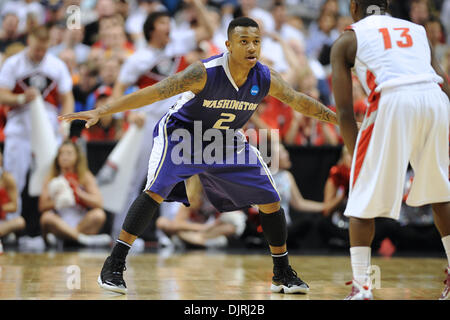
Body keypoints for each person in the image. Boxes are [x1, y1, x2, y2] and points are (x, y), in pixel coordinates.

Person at [60, 17, 338, 295]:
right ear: (228, 45)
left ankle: (281, 272)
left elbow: (299, 100)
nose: (252, 48)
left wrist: (340, 120)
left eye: (256, 42)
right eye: (244, 42)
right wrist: (102, 111)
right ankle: (114, 263)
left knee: (270, 198)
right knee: (155, 190)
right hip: (182, 133)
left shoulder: (265, 77)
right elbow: (155, 93)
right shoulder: (203, 72)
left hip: (224, 138)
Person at [330, 0, 450, 300]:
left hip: (393, 98)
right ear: (386, 5)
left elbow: (345, 111)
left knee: (361, 197)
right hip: (434, 99)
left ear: (354, 6)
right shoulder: (417, 29)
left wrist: (358, 158)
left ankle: (362, 288)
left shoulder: (349, 38)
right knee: (441, 193)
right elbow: (441, 80)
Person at [111, 7, 214, 239]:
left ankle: (169, 234)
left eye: (170, 21)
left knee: (175, 179)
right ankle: (121, 234)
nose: (169, 26)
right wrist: (126, 115)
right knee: (135, 179)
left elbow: (208, 30)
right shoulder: (138, 59)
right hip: (147, 124)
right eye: (163, 22)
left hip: (177, 122)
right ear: (151, 29)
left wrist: (196, 4)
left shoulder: (179, 44)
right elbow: (119, 88)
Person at [0, 25, 74, 222]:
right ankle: (11, 224)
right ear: (29, 42)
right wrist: (21, 99)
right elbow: (2, 94)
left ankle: (48, 226)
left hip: (48, 129)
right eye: (37, 49)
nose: (40, 53)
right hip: (20, 127)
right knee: (15, 178)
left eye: (44, 49)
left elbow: (67, 97)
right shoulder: (13, 64)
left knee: (50, 179)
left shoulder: (56, 65)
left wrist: (65, 122)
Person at [38, 140, 111, 247]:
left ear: (77, 157)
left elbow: (99, 202)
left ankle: (68, 236)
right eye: (61, 153)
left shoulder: (85, 176)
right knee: (46, 218)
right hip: (59, 220)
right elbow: (42, 206)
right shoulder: (51, 177)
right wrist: (60, 200)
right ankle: (82, 239)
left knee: (99, 215)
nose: (64, 157)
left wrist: (78, 193)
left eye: (69, 153)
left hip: (80, 221)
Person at [0, 151, 21, 254]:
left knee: (20, 222)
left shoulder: (7, 178)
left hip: (3, 220)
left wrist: (1, 208)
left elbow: (14, 206)